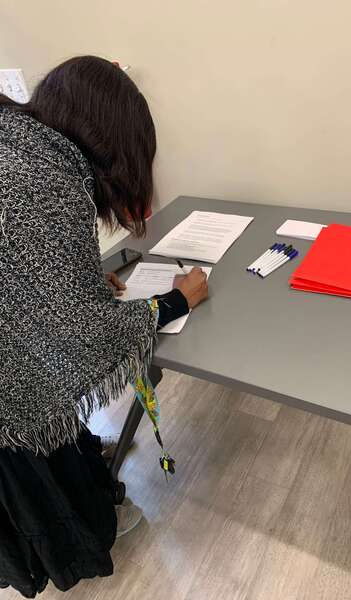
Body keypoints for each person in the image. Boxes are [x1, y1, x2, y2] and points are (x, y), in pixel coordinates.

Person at [0, 55, 208, 597]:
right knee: (76, 498)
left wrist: (78, 284)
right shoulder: (46, 180)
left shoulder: (18, 142)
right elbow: (83, 339)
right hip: (9, 410)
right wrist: (175, 302)